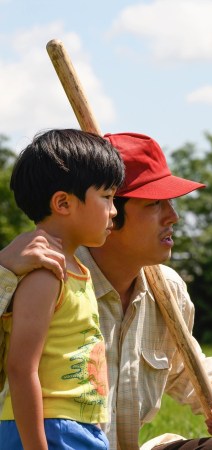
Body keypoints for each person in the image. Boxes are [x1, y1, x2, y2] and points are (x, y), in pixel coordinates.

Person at [0, 132, 212, 450]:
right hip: (48, 441)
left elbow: (184, 365)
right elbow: (18, 368)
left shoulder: (168, 290)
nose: (173, 216)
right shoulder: (42, 271)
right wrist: (4, 269)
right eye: (154, 204)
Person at [0, 129, 125, 449]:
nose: (114, 210)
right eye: (107, 197)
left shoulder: (78, 271)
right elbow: (20, 367)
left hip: (76, 427)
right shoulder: (45, 274)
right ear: (63, 203)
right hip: (49, 428)